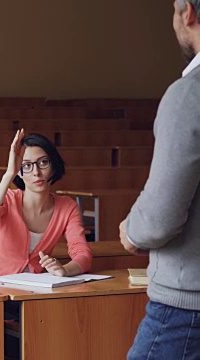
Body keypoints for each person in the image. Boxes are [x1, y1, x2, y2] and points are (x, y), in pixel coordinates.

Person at [121, 1, 200, 358]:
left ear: (189, 14)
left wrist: (132, 230)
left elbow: (158, 219)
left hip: (188, 305)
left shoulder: (189, 96)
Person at [0, 130, 92, 279]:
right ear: (19, 171)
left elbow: (83, 253)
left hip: (34, 290)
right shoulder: (7, 198)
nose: (36, 172)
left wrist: (65, 270)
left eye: (43, 162)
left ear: (53, 166)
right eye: (27, 165)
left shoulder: (67, 207)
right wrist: (9, 174)